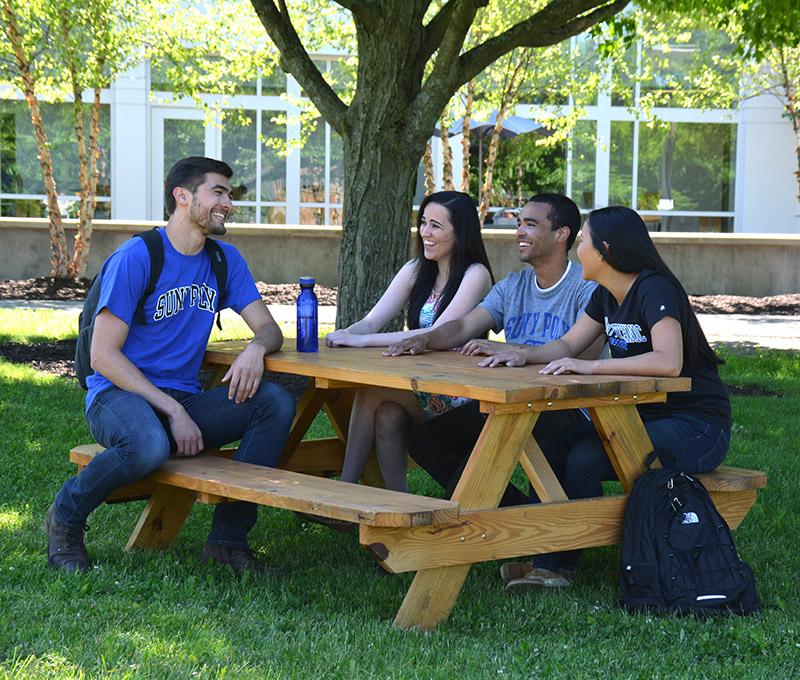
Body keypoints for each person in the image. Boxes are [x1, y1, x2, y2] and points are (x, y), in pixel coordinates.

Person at [460, 206, 732, 591]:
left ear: (605, 249)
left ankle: (558, 564)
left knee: (584, 458)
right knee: (560, 444)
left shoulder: (654, 287)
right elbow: (569, 344)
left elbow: (669, 362)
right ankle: (552, 558)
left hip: (698, 426)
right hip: (646, 419)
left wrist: (589, 368)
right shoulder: (606, 295)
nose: (577, 249)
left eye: (583, 242)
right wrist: (521, 352)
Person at [46, 157, 295, 576]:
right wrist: (173, 411)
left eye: (229, 195)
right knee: (148, 445)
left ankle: (227, 543)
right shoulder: (138, 257)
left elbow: (269, 328)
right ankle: (65, 517)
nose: (228, 203)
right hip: (117, 394)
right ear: (183, 196)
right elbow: (103, 356)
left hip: (183, 397)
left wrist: (256, 349)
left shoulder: (224, 260)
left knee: (273, 401)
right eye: (218, 192)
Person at [384, 193, 602, 507]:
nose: (519, 232)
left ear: (561, 234)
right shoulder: (512, 286)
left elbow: (584, 354)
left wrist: (518, 350)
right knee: (427, 441)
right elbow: (463, 326)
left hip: (565, 408)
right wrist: (426, 338)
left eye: (530, 224)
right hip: (511, 402)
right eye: (519, 224)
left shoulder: (586, 288)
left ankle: (451, 522)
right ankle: (514, 511)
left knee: (501, 434)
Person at [323, 191, 494, 497]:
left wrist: (360, 342)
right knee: (387, 415)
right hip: (421, 382)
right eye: (424, 223)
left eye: (436, 226)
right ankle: (397, 506)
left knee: (371, 391)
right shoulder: (416, 270)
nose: (426, 233)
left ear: (461, 231)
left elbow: (437, 334)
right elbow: (372, 321)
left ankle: (344, 492)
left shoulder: (475, 274)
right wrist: (346, 334)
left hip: (461, 391)